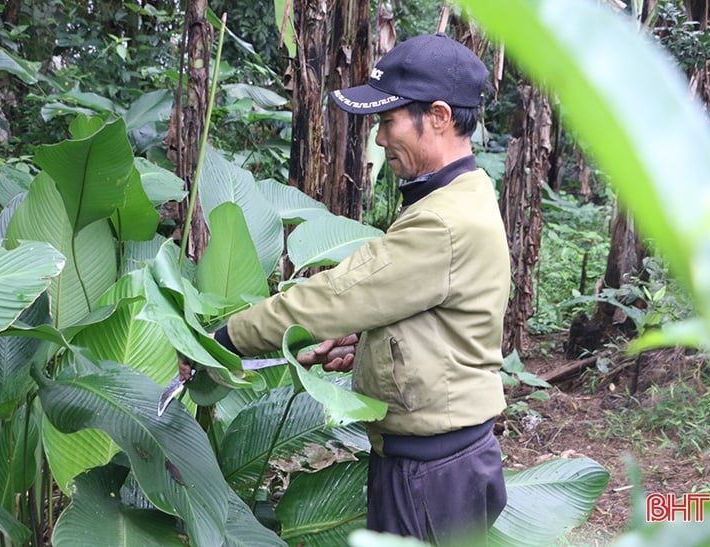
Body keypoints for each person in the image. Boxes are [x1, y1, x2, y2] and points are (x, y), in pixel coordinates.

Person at [213, 33, 510, 543]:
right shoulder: (464, 194)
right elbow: (432, 311)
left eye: (388, 121)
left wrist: (222, 341)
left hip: (429, 473)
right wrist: (372, 344)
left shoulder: (440, 221)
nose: (378, 140)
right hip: (444, 459)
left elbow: (336, 296)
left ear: (438, 116)